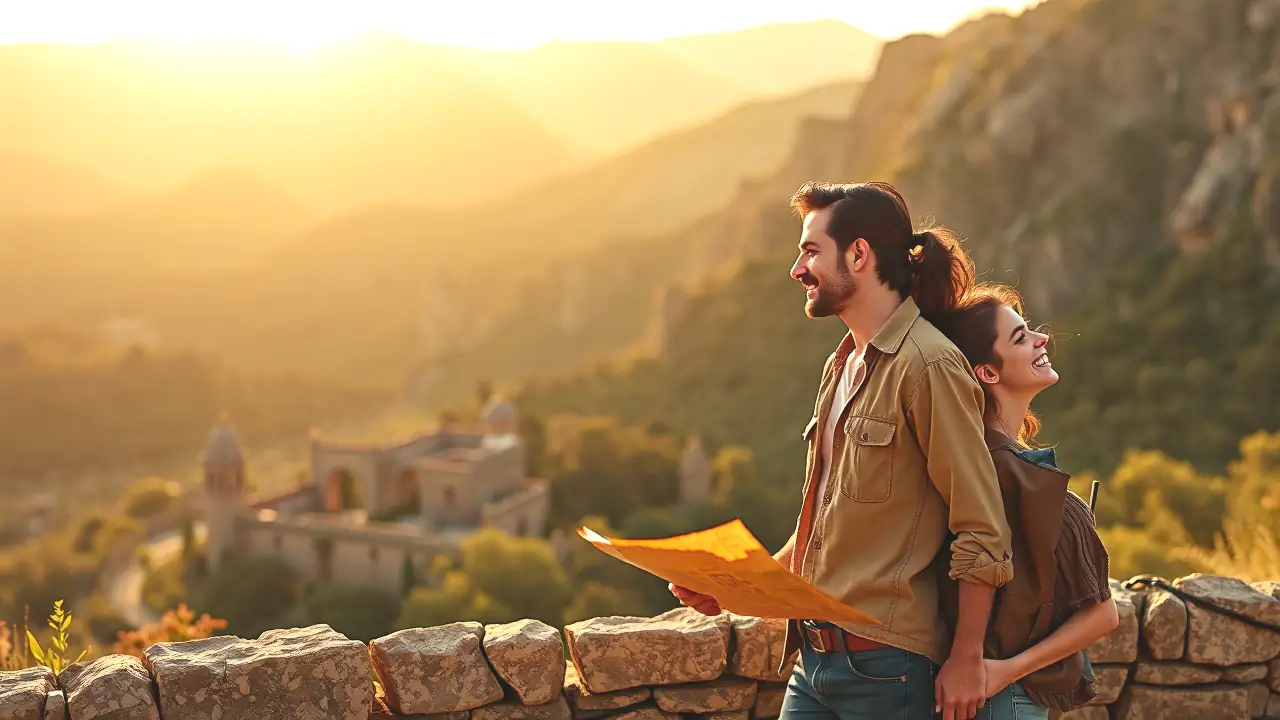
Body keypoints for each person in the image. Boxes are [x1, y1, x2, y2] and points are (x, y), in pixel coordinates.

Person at [671, 181, 1014, 720]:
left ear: (859, 255)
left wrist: (968, 658)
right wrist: (730, 589)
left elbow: (983, 528)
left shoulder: (928, 365)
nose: (796, 269)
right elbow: (823, 537)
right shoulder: (842, 367)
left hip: (889, 668)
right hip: (812, 661)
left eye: (811, 251)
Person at [932, 283, 1119, 719]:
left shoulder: (957, 461)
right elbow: (1103, 615)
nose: (1042, 338)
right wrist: (1006, 671)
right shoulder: (1017, 477)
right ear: (988, 373)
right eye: (1020, 337)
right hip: (1003, 698)